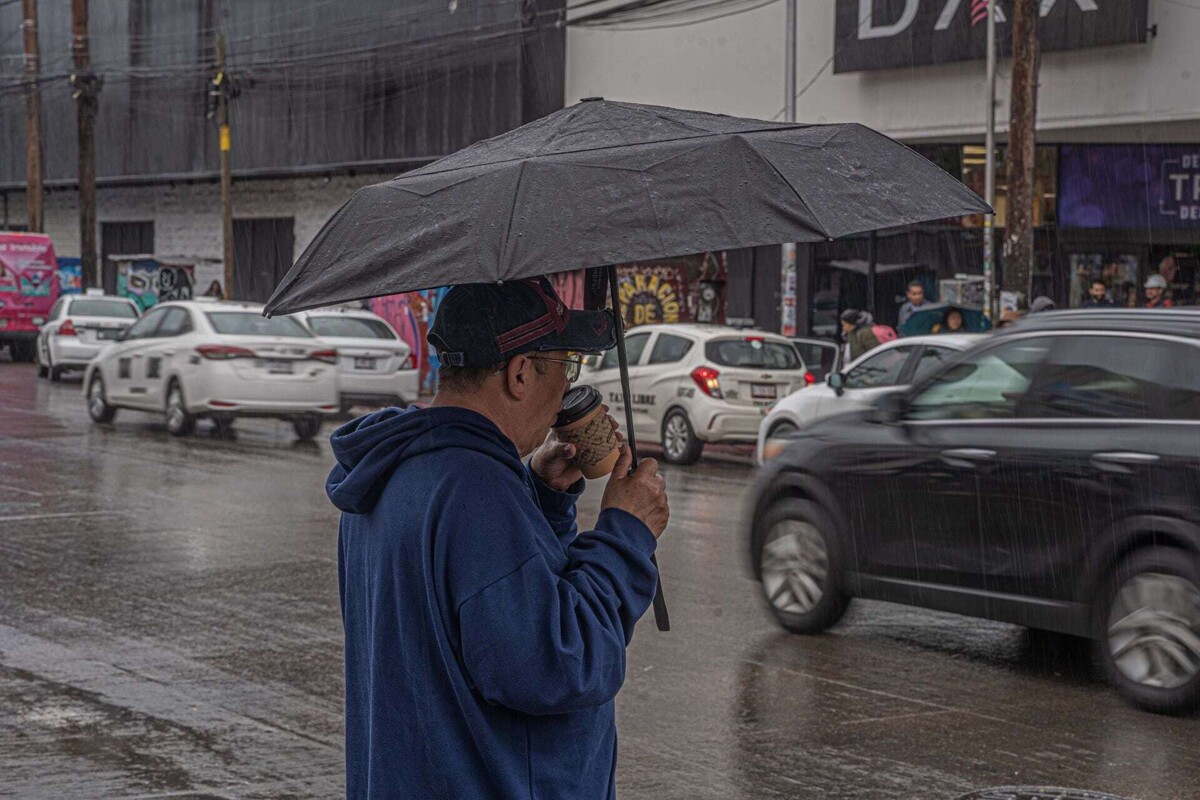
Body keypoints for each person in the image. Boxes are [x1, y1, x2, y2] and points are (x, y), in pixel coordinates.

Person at [327, 276, 669, 800]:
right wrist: (626, 535)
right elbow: (558, 664)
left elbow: (484, 608)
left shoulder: (396, 467)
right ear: (520, 373)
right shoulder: (476, 492)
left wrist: (542, 498)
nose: (565, 391)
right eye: (566, 367)